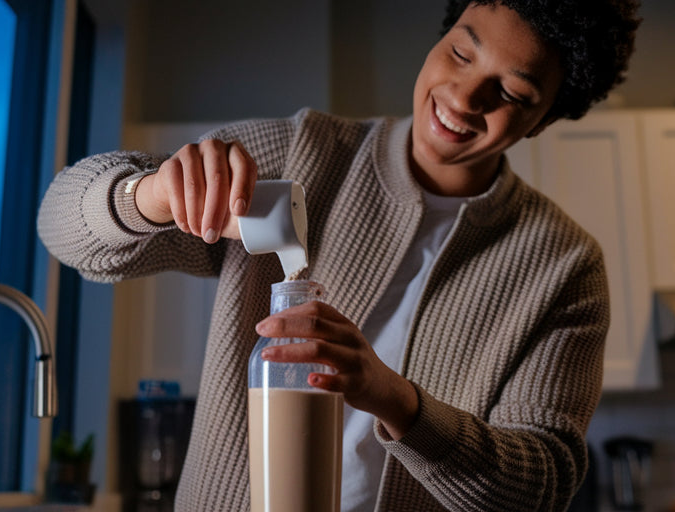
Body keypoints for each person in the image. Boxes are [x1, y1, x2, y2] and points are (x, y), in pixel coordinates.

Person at [38, 0, 640, 510]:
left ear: (544, 119)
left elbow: (545, 481)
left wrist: (392, 397)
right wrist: (150, 196)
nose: (464, 95)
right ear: (441, 37)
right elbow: (60, 226)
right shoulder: (300, 152)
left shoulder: (561, 264)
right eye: (461, 53)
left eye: (511, 90)